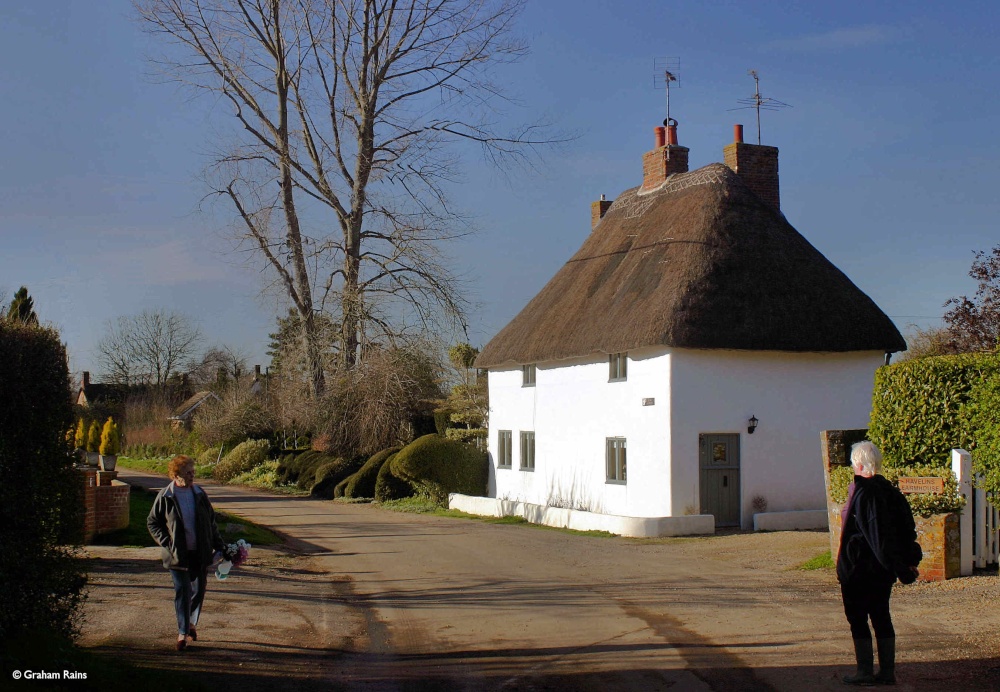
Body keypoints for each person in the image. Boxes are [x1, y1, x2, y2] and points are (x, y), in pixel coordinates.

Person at [837, 441, 921, 686]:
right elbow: (907, 530)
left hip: (861, 568)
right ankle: (886, 672)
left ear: (858, 463)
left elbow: (877, 537)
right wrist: (907, 562)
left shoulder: (866, 493)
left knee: (858, 618)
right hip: (879, 571)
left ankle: (865, 671)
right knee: (881, 616)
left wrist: (901, 568)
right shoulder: (891, 492)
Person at [147, 455, 225, 651]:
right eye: (187, 473)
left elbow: (211, 523)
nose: (192, 476)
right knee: (183, 592)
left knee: (198, 591)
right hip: (177, 555)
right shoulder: (166, 496)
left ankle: (191, 623)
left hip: (200, 552)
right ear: (176, 475)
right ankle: (182, 632)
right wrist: (167, 542)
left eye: (193, 472)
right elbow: (153, 522)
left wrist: (220, 546)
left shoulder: (199, 494)